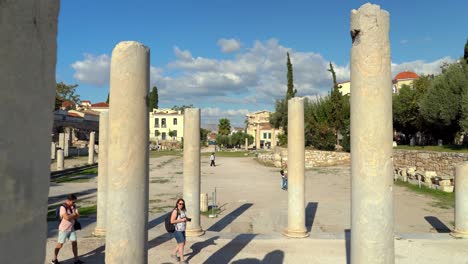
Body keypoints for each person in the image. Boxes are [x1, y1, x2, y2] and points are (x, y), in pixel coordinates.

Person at [52, 194, 84, 264]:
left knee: (74, 243)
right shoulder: (63, 207)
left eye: (74, 202)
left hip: (71, 229)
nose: (74, 203)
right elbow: (66, 218)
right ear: (68, 200)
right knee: (60, 245)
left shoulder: (74, 206)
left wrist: (72, 215)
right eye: (73, 202)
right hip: (64, 229)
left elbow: (78, 215)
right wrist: (73, 215)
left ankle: (76, 260)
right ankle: (54, 259)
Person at [170, 198, 191, 264]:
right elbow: (172, 221)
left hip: (182, 230)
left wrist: (187, 219)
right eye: (180, 203)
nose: (181, 205)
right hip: (177, 230)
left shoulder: (182, 210)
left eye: (182, 204)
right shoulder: (175, 211)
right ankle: (182, 260)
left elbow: (182, 218)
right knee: (181, 244)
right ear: (177, 204)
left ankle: (173, 253)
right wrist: (181, 220)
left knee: (182, 243)